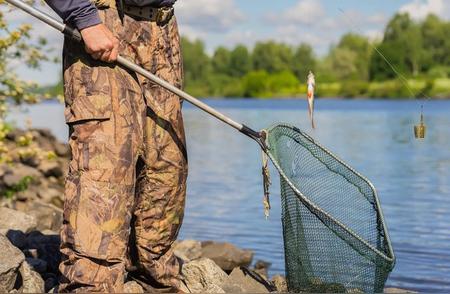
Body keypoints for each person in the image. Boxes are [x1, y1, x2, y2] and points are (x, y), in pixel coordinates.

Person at [44, 0, 187, 292]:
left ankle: (152, 279)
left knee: (167, 168)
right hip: (103, 21)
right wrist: (83, 17)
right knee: (106, 168)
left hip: (163, 29)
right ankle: (91, 285)